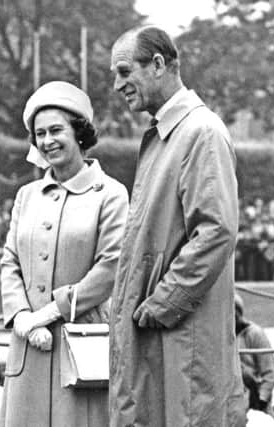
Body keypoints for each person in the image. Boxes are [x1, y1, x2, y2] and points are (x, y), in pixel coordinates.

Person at [108, 25, 246, 426]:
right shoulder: (168, 135)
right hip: (164, 339)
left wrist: (164, 303)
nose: (117, 86)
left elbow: (217, 231)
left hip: (181, 342)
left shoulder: (200, 133)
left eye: (123, 71)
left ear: (157, 65)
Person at [0, 81, 129, 427]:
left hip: (81, 347)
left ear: (80, 133)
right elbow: (10, 259)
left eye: (56, 130)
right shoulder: (27, 195)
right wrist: (23, 317)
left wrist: (54, 311)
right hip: (28, 346)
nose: (47, 141)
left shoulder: (110, 194)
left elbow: (112, 266)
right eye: (39, 134)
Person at [235, 292, 274, 412]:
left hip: (254, 393)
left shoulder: (254, 333)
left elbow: (269, 371)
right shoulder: (221, 334)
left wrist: (262, 398)